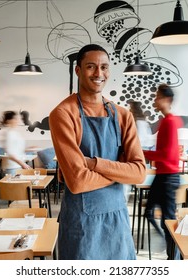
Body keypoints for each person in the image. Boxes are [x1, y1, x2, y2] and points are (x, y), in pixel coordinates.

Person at [49, 44, 146, 260]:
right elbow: (77, 182)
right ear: (78, 70)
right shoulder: (63, 114)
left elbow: (139, 173)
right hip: (81, 224)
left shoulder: (122, 115)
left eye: (104, 67)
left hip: (117, 219)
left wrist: (93, 164)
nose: (98, 73)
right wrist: (120, 173)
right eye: (91, 67)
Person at [143, 83, 183, 260]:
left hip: (168, 178)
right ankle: (171, 250)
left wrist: (141, 152)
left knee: (167, 220)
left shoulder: (170, 122)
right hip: (162, 176)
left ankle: (173, 256)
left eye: (158, 97)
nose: (155, 100)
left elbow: (166, 154)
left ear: (167, 100)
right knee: (149, 212)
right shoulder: (167, 121)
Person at [0, 111, 31, 175]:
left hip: (18, 166)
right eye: (15, 119)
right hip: (11, 167)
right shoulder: (8, 133)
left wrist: (29, 149)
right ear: (9, 120)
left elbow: (17, 150)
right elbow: (10, 153)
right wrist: (22, 164)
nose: (17, 121)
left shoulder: (15, 133)